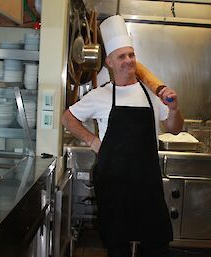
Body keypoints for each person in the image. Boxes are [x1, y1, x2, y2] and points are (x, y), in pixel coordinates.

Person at [62, 15, 183, 257]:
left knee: (157, 246)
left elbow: (175, 128)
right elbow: (68, 118)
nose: (128, 60)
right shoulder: (101, 95)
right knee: (117, 248)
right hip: (114, 186)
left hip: (147, 185)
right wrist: (94, 142)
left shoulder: (152, 93)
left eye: (131, 55)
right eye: (122, 56)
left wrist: (175, 109)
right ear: (109, 62)